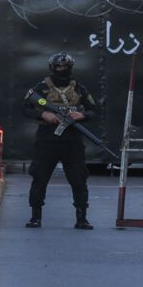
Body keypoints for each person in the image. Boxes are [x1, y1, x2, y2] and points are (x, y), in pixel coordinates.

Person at [21, 53, 98, 230]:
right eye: (58, 67)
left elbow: (94, 110)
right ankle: (35, 216)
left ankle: (82, 218)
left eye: (65, 67)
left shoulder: (79, 89)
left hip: (72, 141)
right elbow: (25, 108)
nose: (61, 70)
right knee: (40, 177)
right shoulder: (41, 89)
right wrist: (43, 114)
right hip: (47, 139)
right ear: (52, 68)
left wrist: (82, 115)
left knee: (78, 178)